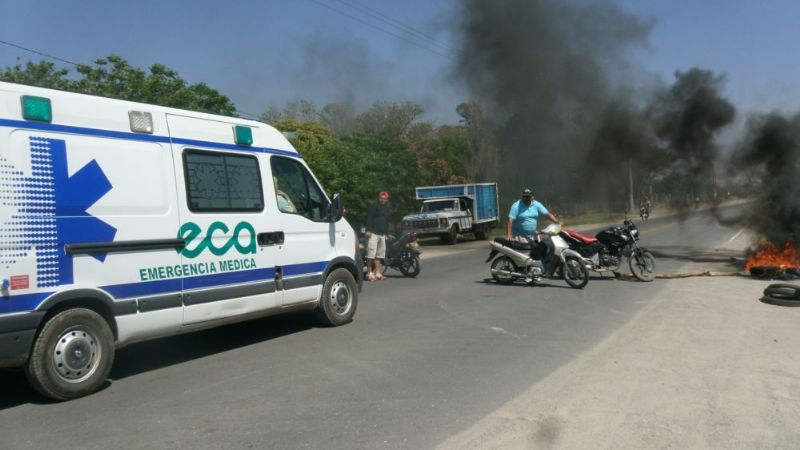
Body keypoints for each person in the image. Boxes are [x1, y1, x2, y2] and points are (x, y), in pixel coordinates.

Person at [365, 191, 390, 281]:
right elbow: (369, 218)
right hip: (373, 233)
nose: (383, 200)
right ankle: (369, 273)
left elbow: (386, 221)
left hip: (382, 234)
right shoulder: (373, 206)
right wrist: (368, 230)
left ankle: (378, 273)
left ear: (386, 200)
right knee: (371, 254)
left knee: (379, 255)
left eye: (384, 199)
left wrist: (387, 233)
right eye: (381, 198)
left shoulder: (385, 209)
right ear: (378, 198)